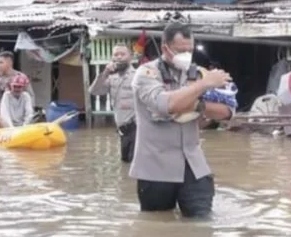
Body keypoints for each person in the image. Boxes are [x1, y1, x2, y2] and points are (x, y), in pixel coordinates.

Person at [130, 22, 234, 219]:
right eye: (180, 50)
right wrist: (202, 87)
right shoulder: (146, 74)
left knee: (203, 223)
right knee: (157, 225)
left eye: (190, 50)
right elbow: (165, 105)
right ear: (165, 48)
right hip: (156, 167)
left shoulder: (200, 73)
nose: (186, 55)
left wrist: (198, 106)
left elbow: (228, 112)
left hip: (193, 164)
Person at [89, 43, 137, 163]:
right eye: (116, 54)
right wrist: (105, 73)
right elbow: (95, 91)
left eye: (123, 54)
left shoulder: (137, 76)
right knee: (125, 162)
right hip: (122, 128)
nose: (119, 57)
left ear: (130, 57)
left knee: (133, 164)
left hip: (137, 128)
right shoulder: (111, 77)